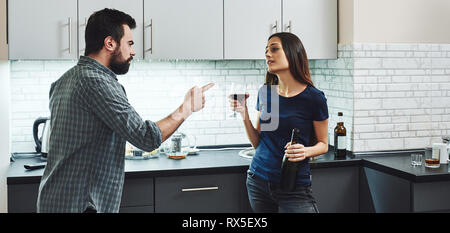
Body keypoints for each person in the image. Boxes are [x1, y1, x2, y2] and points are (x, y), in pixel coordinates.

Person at [36, 8, 214, 213]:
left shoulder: (65, 80)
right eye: (129, 43)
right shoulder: (97, 82)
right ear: (110, 43)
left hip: (55, 201)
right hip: (82, 205)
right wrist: (187, 108)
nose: (133, 51)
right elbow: (147, 138)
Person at [229, 32, 329, 213]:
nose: (267, 54)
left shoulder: (314, 98)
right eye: (266, 50)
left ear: (292, 53)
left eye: (274, 49)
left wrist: (306, 151)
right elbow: (258, 142)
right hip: (257, 180)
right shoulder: (268, 93)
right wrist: (244, 114)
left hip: (294, 187)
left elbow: (323, 144)